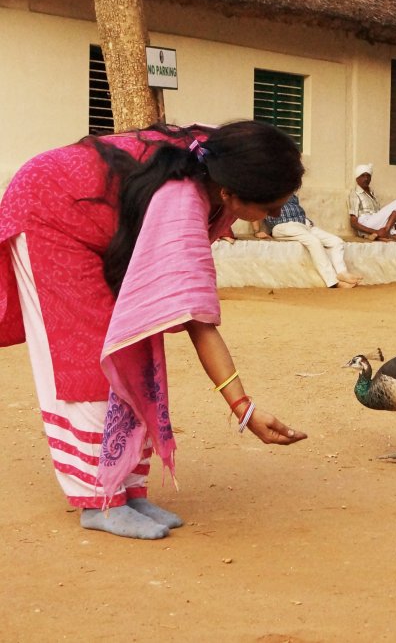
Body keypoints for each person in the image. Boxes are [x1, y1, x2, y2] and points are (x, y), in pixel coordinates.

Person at [0, 121, 308, 540]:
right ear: (230, 194)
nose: (274, 216)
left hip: (95, 227)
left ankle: (126, 488)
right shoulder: (181, 200)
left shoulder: (218, 166)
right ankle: (100, 501)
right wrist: (243, 408)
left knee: (139, 352)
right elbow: (199, 321)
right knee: (91, 360)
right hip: (49, 215)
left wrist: (243, 407)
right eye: (270, 208)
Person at [255, 194, 363, 289]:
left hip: (305, 225)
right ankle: (333, 282)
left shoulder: (290, 191)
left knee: (336, 242)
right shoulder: (266, 191)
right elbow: (255, 209)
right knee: (314, 242)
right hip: (282, 226)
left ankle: (342, 272)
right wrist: (257, 231)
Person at [348, 163, 396, 242]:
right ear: (357, 178)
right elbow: (353, 223)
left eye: (368, 176)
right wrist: (376, 231)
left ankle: (386, 235)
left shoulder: (372, 194)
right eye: (363, 176)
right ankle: (384, 232)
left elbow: (379, 216)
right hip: (366, 222)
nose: (366, 178)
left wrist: (394, 223)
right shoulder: (355, 193)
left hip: (377, 224)